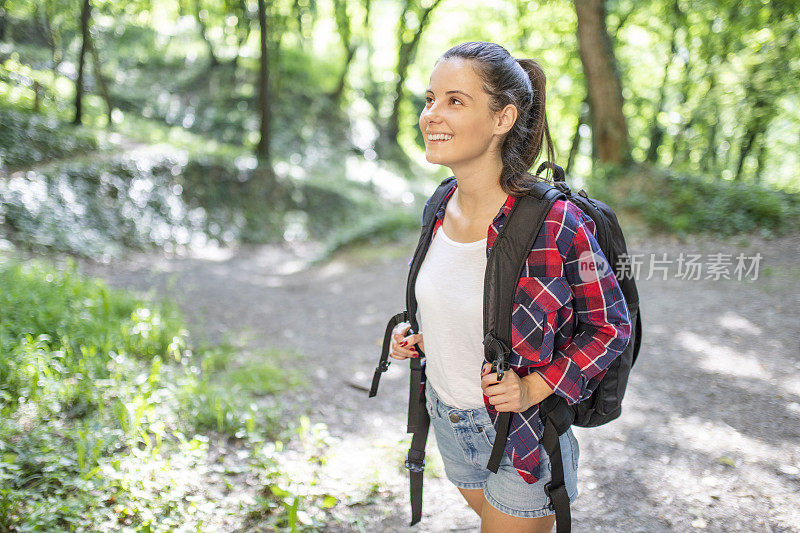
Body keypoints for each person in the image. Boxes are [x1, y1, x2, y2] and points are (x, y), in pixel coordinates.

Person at [388, 41, 631, 533]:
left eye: (456, 101)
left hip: (522, 436)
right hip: (448, 420)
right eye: (430, 99)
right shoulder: (439, 204)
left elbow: (611, 326)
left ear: (503, 119)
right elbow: (456, 298)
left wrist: (534, 386)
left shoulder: (556, 222)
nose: (431, 114)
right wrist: (415, 336)